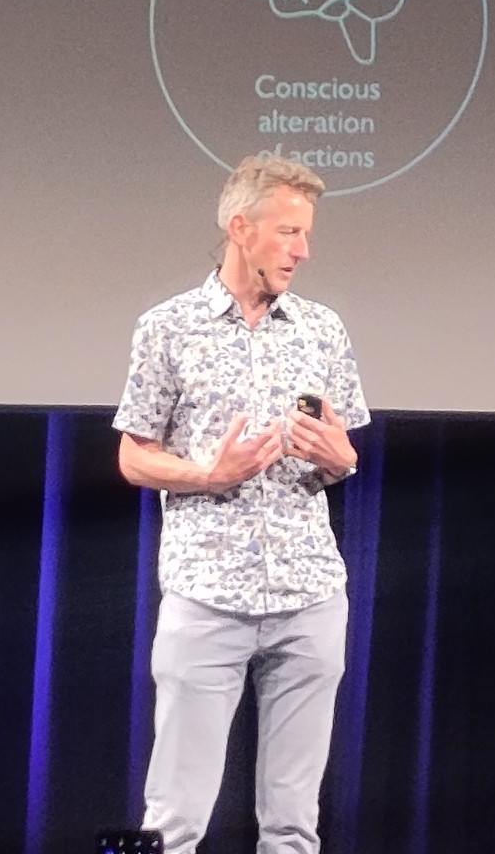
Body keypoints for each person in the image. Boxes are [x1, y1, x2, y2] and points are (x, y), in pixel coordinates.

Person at [114, 153, 369, 854]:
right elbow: (133, 456)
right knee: (173, 822)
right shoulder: (168, 327)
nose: (302, 250)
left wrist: (341, 457)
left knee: (293, 827)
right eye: (288, 232)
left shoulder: (322, 329)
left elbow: (345, 451)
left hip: (309, 595)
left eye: (306, 234)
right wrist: (209, 473)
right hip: (208, 594)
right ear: (240, 228)